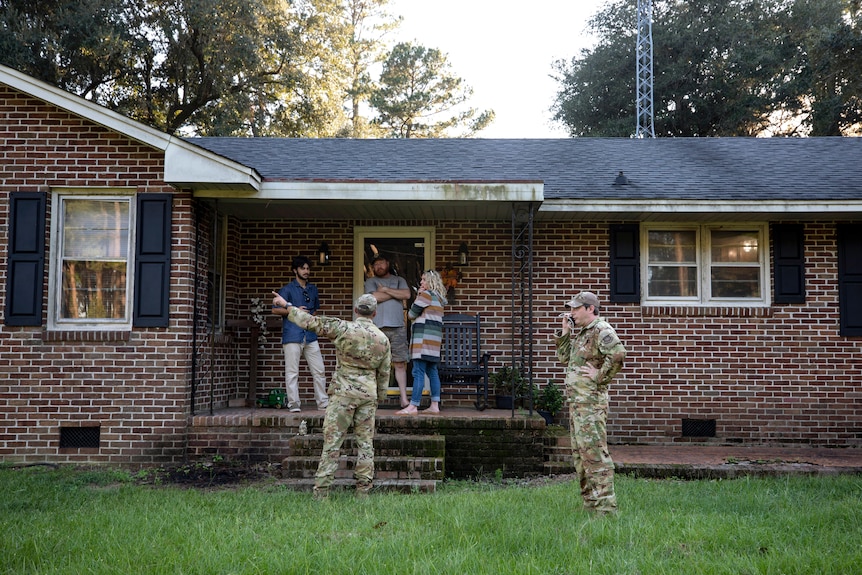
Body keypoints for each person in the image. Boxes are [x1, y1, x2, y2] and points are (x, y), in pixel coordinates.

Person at [271, 292, 391, 499]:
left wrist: (287, 305)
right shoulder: (383, 339)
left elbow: (310, 322)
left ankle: (322, 492)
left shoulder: (343, 328)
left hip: (343, 393)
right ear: (375, 313)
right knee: (365, 443)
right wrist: (380, 396)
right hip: (368, 395)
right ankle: (363, 491)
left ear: (356, 310)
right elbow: (385, 372)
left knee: (332, 443)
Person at [555, 291, 626, 516]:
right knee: (581, 456)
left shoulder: (601, 330)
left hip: (590, 405)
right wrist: (566, 333)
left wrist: (599, 376)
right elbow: (564, 359)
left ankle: (606, 510)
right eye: (571, 308)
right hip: (577, 404)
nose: (572, 312)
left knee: (595, 455)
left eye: (576, 308)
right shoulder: (583, 332)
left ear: (590, 309)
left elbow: (618, 354)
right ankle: (591, 505)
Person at [272, 256, 328, 412]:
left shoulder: (313, 289)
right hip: (292, 334)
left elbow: (315, 309)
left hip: (310, 335)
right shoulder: (287, 289)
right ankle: (294, 404)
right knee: (292, 371)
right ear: (295, 270)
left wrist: (307, 318)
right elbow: (275, 309)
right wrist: (295, 311)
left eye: (308, 268)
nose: (306, 271)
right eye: (303, 268)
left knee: (319, 370)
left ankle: (323, 402)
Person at [364, 254, 412, 407]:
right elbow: (374, 297)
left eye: (381, 263)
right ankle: (374, 400)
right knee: (375, 364)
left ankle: (404, 398)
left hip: (398, 327)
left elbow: (406, 294)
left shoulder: (399, 280)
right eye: (375, 264)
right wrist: (393, 293)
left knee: (399, 363)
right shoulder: (371, 281)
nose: (378, 266)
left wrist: (385, 290)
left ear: (387, 263)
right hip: (376, 328)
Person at [397, 270, 447, 415]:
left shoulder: (425, 295)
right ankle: (434, 405)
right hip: (434, 342)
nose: (421, 283)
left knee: (417, 372)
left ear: (430, 282)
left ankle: (413, 406)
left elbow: (412, 314)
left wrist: (418, 295)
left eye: (424, 280)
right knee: (432, 372)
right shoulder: (439, 298)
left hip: (423, 341)